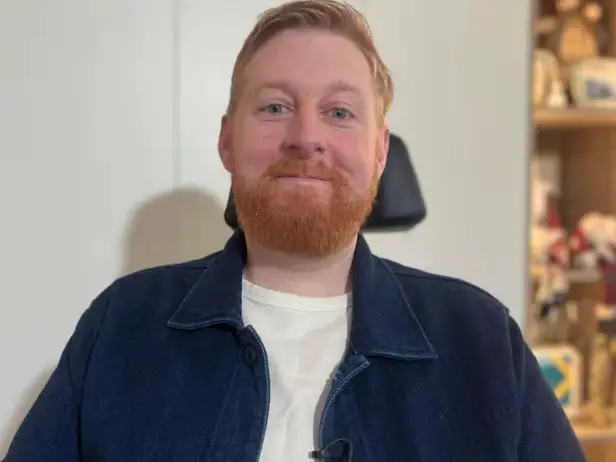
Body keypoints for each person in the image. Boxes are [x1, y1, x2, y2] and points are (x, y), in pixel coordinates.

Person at [4, 1, 586, 461]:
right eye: (275, 108)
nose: (307, 138)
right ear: (227, 141)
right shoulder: (120, 327)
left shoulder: (481, 341)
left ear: (380, 152)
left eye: (339, 112)